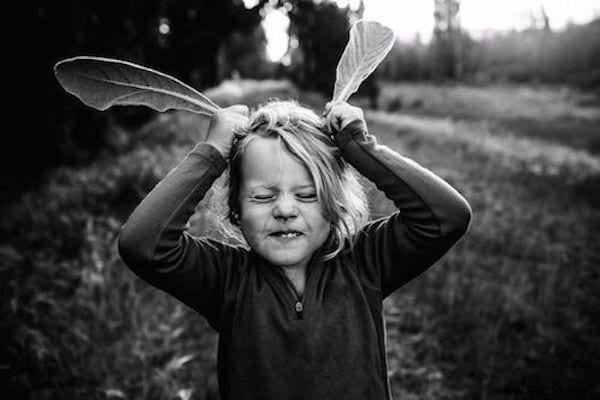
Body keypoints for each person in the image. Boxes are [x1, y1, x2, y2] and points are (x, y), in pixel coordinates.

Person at [118, 100, 472, 400]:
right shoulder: (227, 279)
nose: (285, 210)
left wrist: (358, 147)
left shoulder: (365, 262)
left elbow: (446, 217)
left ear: (335, 204)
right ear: (236, 210)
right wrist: (211, 154)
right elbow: (142, 244)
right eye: (263, 196)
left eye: (307, 195)